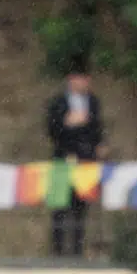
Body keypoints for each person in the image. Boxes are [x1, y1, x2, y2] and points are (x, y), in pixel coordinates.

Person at [47, 62, 105, 257]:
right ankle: (58, 251)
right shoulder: (58, 103)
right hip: (63, 159)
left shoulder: (93, 102)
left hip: (84, 161)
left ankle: (77, 251)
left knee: (80, 206)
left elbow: (98, 128)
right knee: (59, 207)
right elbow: (51, 129)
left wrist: (98, 146)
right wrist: (68, 123)